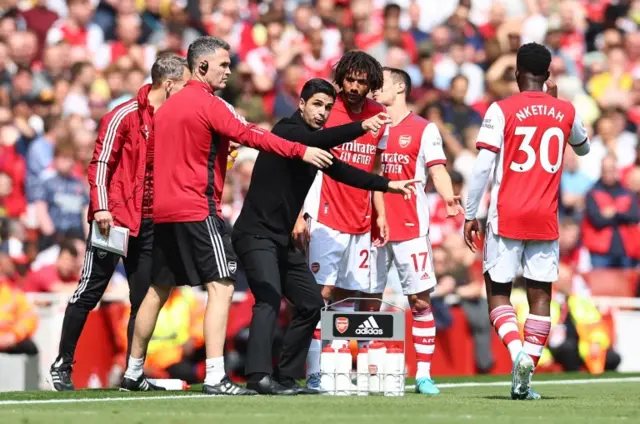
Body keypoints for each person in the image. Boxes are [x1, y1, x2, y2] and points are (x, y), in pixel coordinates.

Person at [121, 36, 333, 395]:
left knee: (157, 289)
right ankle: (217, 375)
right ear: (202, 67)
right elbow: (252, 135)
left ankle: (133, 371)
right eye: (224, 64)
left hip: (161, 210)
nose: (229, 71)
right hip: (196, 208)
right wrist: (300, 150)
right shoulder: (209, 102)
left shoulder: (167, 107)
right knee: (221, 285)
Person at [232, 78, 419, 395]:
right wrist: (362, 126)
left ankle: (287, 377)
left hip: (281, 240)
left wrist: (388, 186)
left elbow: (346, 173)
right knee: (268, 299)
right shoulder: (286, 130)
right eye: (316, 104)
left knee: (311, 303)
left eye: (328, 107)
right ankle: (258, 377)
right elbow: (328, 138)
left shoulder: (314, 147)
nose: (322, 112)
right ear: (301, 104)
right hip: (255, 234)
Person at [47, 54, 190, 392]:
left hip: (151, 223)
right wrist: (101, 208)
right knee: (89, 291)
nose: (188, 93)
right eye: (184, 86)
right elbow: (100, 164)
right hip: (115, 220)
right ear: (168, 84)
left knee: (142, 298)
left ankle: (133, 372)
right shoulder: (122, 115)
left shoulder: (173, 119)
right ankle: (62, 363)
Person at [463, 42, 591, 400]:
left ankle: (518, 353)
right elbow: (583, 149)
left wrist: (471, 212)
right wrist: (556, 102)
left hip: (507, 215)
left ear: (517, 73)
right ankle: (525, 377)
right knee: (540, 297)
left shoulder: (501, 109)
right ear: (548, 75)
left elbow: (483, 167)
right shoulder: (565, 110)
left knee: (498, 292)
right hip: (545, 218)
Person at [354, 67, 462, 395]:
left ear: (399, 87)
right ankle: (368, 369)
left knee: (419, 300)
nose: (373, 89)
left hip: (411, 227)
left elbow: (438, 169)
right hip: (372, 226)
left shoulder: (424, 129)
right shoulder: (371, 126)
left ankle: (424, 374)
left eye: (380, 83)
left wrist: (449, 199)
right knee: (368, 300)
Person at [300, 51, 389, 389]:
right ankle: (313, 371)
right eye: (349, 79)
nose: (353, 87)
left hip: (360, 217)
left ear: (371, 85)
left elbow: (376, 166)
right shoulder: (327, 109)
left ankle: (338, 369)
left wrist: (380, 211)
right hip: (325, 215)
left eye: (361, 82)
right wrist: (300, 212)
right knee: (319, 293)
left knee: (349, 296)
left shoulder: (379, 116)